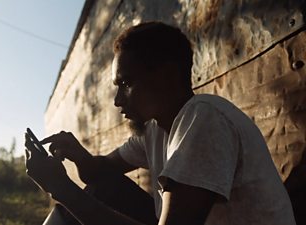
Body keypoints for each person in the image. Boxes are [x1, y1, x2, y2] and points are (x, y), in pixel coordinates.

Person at [24, 21, 296, 225]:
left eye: (126, 83)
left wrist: (59, 188)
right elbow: (99, 172)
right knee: (103, 188)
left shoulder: (204, 118)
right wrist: (78, 154)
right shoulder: (156, 129)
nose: (118, 101)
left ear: (167, 76)